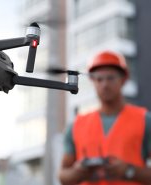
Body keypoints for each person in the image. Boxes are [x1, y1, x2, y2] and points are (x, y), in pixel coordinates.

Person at [58, 50, 151, 185]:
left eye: (110, 78)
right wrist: (79, 172)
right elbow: (63, 175)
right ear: (92, 81)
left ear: (124, 79)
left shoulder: (144, 120)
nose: (105, 84)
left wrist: (129, 171)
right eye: (99, 79)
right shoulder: (76, 126)